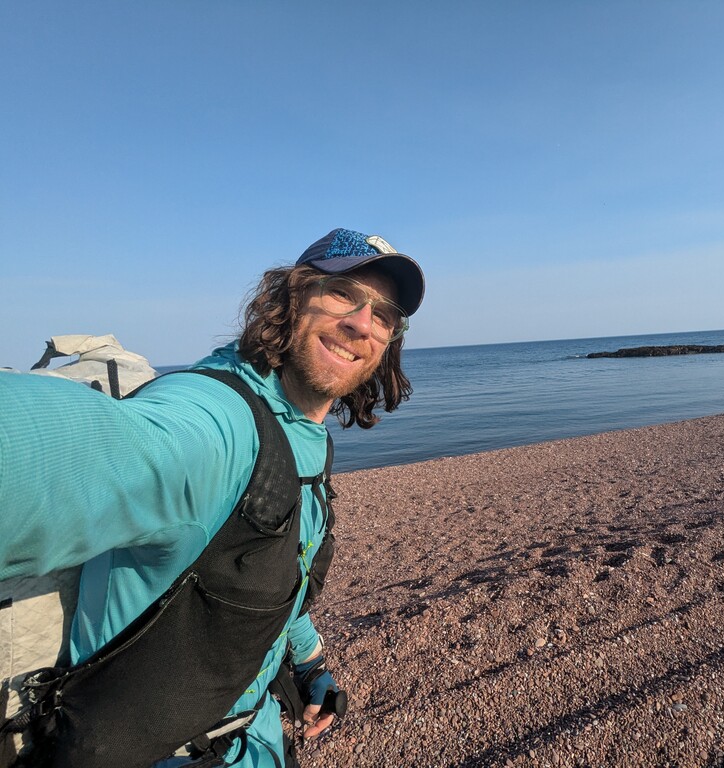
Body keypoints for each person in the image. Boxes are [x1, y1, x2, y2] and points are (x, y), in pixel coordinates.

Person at [0, 227, 425, 767]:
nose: (362, 323)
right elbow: (61, 455)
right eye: (343, 293)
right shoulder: (217, 425)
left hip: (257, 739)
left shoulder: (308, 435)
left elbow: (273, 569)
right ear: (292, 296)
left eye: (384, 315)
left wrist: (310, 661)